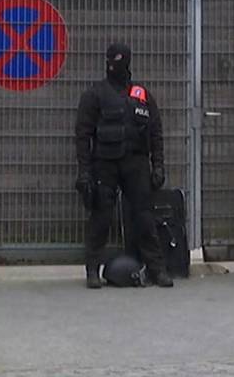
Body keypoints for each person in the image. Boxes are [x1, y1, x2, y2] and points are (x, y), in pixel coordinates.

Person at [74, 43, 173, 289]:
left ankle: (157, 268)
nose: (112, 66)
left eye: (116, 61)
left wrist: (158, 166)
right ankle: (92, 269)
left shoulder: (141, 94)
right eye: (109, 61)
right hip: (104, 165)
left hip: (136, 164)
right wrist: (85, 171)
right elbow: (83, 134)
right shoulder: (95, 94)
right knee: (101, 218)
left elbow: (155, 133)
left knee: (144, 218)